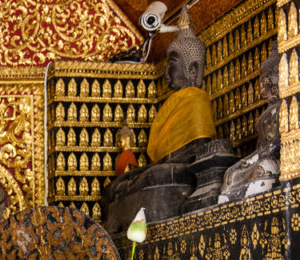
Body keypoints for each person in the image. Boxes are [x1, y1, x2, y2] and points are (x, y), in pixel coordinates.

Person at [103, 11, 235, 233]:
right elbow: (165, 157)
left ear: (191, 68)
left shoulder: (196, 99)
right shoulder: (173, 103)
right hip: (166, 166)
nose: (166, 72)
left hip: (186, 170)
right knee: (117, 185)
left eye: (171, 64)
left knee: (155, 174)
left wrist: (144, 172)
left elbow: (195, 149)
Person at [220, 42, 280, 203]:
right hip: (261, 157)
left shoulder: (285, 108)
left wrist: (257, 159)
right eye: (262, 79)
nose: (262, 84)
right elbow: (261, 149)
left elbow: (272, 147)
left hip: (274, 159)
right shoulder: (267, 114)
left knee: (265, 167)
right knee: (229, 175)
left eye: (266, 79)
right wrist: (242, 163)